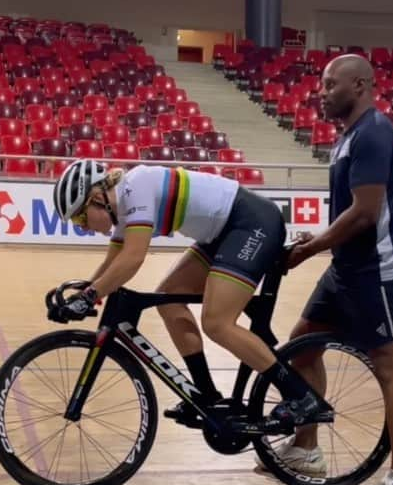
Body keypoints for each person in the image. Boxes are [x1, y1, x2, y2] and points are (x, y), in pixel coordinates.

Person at [275, 53, 393, 485]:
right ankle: (306, 448)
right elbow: (352, 210)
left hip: (383, 270)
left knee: (390, 369)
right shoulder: (349, 137)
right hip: (348, 268)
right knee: (301, 348)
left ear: (360, 85)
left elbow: (364, 213)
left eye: (329, 84)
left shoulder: (375, 133)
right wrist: (320, 239)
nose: (320, 93)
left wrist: (310, 248)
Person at [51, 159, 313, 425]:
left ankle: (301, 397)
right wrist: (80, 294)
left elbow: (132, 259)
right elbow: (111, 266)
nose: (81, 226)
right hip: (223, 234)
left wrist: (89, 298)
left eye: (79, 217)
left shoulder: (135, 187)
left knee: (217, 323)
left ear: (97, 198)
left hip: (252, 223)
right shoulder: (122, 209)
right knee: (168, 299)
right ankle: (206, 396)